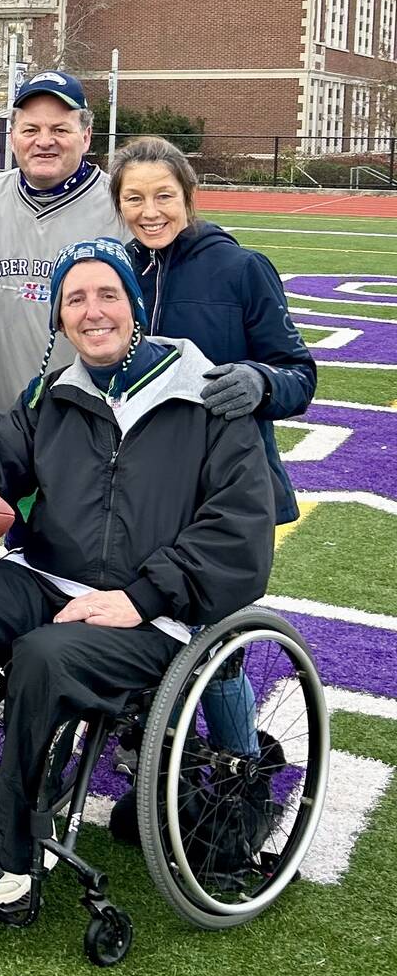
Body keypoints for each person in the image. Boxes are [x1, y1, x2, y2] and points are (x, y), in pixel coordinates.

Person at [0, 238, 275, 919]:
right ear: (59, 316)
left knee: (45, 656)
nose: (92, 310)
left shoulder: (206, 397)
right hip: (51, 575)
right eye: (75, 298)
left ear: (134, 307)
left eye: (108, 294)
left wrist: (141, 597)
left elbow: (239, 530)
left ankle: (13, 852)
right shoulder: (53, 392)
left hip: (156, 609)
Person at [112, 136, 316, 764]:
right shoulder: (116, 269)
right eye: (134, 198)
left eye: (164, 196)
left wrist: (259, 382)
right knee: (150, 628)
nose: (151, 211)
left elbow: (298, 375)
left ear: (190, 196)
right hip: (147, 490)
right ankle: (157, 752)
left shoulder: (240, 267)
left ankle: (241, 769)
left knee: (217, 643)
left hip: (230, 489)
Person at [0, 71, 123, 421]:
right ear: (12, 138)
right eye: (31, 130)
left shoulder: (119, 207)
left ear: (85, 136)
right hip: (1, 423)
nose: (44, 141)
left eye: (60, 130)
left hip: (94, 425)